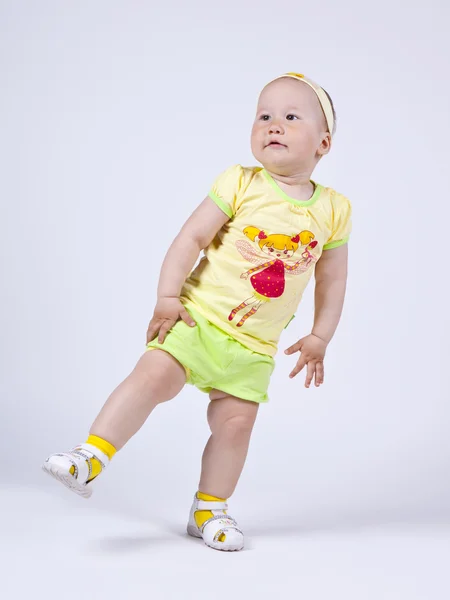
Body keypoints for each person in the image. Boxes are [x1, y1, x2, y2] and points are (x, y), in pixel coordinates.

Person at [43, 72, 352, 552]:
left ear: (323, 143)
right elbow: (191, 238)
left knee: (236, 424)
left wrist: (321, 335)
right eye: (263, 116)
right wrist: (168, 297)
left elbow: (333, 278)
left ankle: (209, 509)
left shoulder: (334, 210)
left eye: (291, 117)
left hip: (253, 347)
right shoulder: (240, 182)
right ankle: (92, 456)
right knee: (151, 377)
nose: (274, 125)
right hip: (196, 318)